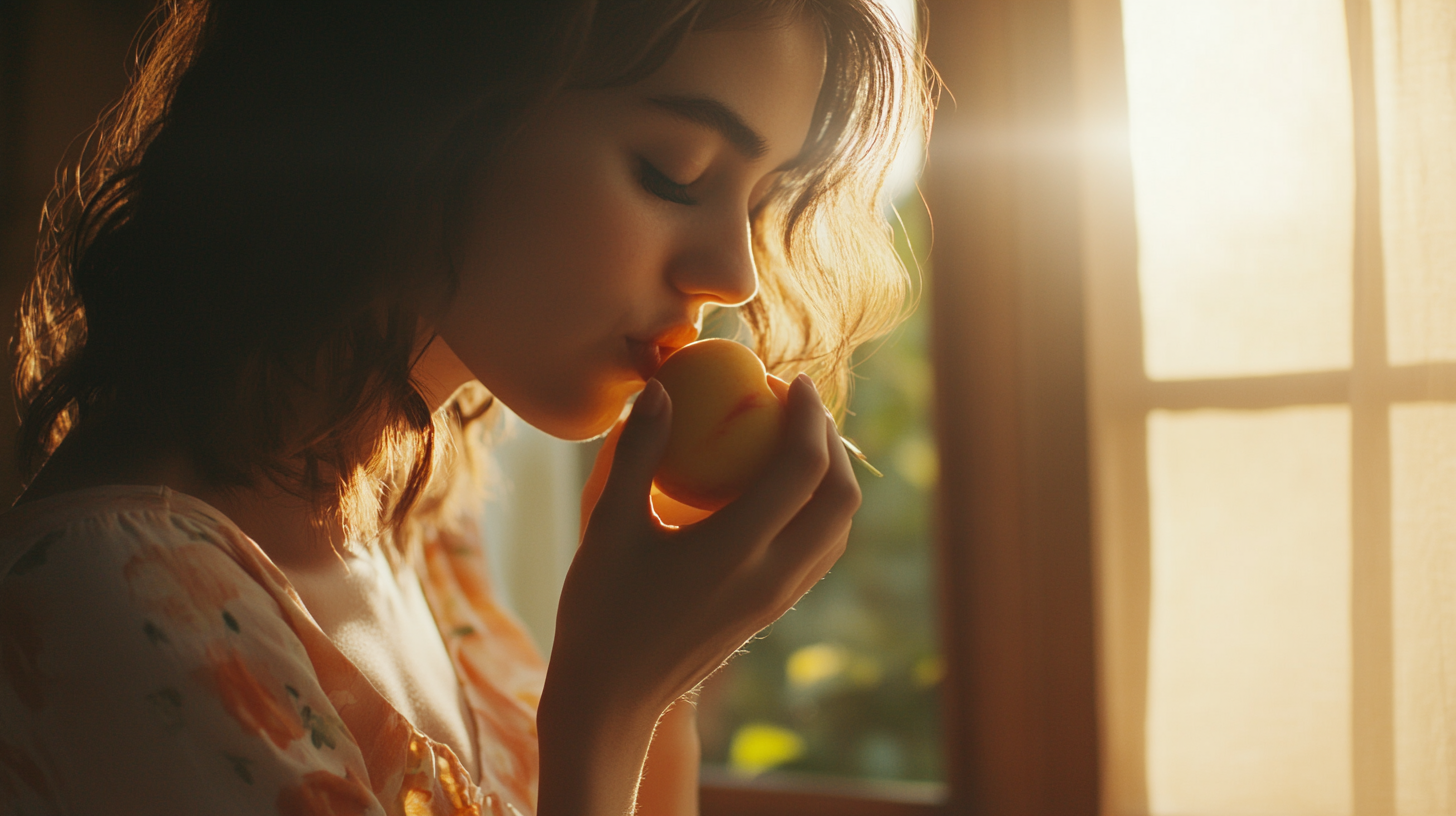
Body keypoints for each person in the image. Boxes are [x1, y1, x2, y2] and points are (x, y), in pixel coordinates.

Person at [0, 0, 930, 813]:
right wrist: (607, 709)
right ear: (421, 106)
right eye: (674, 172)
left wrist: (664, 684)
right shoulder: (120, 609)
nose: (732, 274)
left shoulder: (421, 532)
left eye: (759, 198)